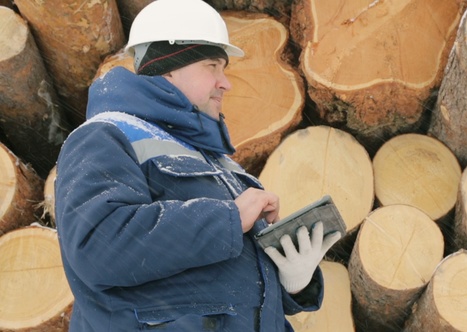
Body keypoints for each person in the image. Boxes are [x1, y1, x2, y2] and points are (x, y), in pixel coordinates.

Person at [54, 0, 341, 330]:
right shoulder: (105, 136)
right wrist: (228, 219)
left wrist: (292, 281)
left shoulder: (219, 163)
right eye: (212, 66)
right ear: (169, 67)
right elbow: (98, 249)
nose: (226, 83)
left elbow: (222, 287)